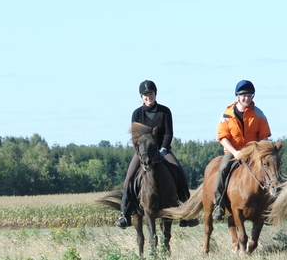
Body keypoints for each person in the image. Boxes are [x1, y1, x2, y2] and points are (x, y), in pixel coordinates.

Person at [115, 80, 197, 229]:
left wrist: (164, 149)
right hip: (143, 153)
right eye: (145, 95)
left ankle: (186, 215)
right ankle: (124, 214)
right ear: (141, 96)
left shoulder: (164, 111)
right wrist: (140, 153)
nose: (148, 97)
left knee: (179, 173)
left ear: (155, 94)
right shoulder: (137, 114)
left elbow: (168, 133)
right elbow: (135, 138)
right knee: (129, 178)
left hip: (161, 151)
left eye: (150, 94)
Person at [211, 80, 271, 221]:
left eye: (249, 95)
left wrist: (258, 152)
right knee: (223, 168)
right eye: (243, 95)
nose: (246, 98)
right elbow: (222, 137)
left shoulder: (259, 114)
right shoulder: (227, 114)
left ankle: (269, 207)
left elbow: (264, 137)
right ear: (237, 96)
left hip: (253, 152)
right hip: (233, 151)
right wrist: (235, 152)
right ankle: (218, 204)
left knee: (269, 169)